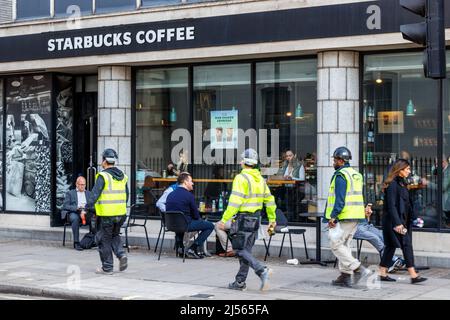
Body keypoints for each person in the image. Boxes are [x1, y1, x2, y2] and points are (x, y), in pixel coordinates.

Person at [217, 148, 277, 291]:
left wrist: (224, 219)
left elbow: (234, 202)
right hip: (256, 219)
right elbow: (269, 200)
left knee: (238, 249)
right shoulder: (261, 180)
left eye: (241, 159)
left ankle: (262, 270)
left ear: (244, 162)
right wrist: (272, 219)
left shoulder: (241, 178)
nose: (240, 161)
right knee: (246, 252)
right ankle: (239, 282)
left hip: (243, 219)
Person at [325, 146, 371, 288]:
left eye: (334, 160)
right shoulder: (355, 174)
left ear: (340, 160)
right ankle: (345, 276)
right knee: (344, 245)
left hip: (344, 216)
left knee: (335, 243)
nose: (333, 162)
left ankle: (357, 268)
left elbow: (340, 199)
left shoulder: (341, 175)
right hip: (356, 215)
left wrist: (334, 216)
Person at [378, 159, 427, 284]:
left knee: (390, 246)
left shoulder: (401, 183)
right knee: (406, 245)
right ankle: (413, 275)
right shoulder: (393, 185)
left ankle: (382, 273)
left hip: (401, 220)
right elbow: (391, 206)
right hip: (395, 222)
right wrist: (398, 223)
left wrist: (412, 218)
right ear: (400, 170)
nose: (409, 172)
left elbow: (406, 203)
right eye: (407, 169)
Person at [90, 148, 129, 275]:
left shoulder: (103, 176)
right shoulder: (123, 176)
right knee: (115, 235)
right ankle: (121, 254)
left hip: (107, 214)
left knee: (103, 239)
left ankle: (107, 267)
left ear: (104, 161)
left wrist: (87, 207)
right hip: (121, 213)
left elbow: (94, 194)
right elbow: (126, 195)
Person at [166, 172, 215, 259]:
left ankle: (180, 248)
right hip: (185, 225)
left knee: (180, 222)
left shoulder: (170, 195)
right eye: (191, 181)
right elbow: (196, 216)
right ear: (185, 182)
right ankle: (193, 248)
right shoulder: (189, 196)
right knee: (210, 226)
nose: (193, 183)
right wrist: (199, 220)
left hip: (171, 225)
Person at [355, 205, 405, 272]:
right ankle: (391, 260)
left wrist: (367, 214)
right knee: (374, 238)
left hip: (365, 225)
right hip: (355, 227)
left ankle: (387, 262)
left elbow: (365, 218)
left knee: (382, 236)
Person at [61, 176, 94, 251]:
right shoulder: (70, 193)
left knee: (96, 218)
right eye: (81, 184)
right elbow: (65, 206)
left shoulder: (89, 193)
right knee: (75, 218)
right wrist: (76, 208)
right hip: (75, 212)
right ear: (77, 184)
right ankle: (76, 242)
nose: (83, 186)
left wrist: (88, 208)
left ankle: (93, 240)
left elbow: (93, 205)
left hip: (86, 212)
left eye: (84, 185)